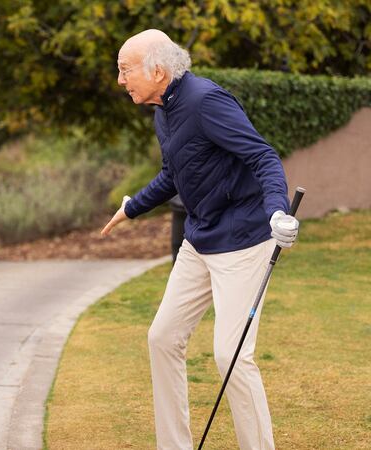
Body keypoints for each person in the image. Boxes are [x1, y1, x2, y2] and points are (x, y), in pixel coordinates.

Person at [101, 30, 299, 450]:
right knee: (162, 337)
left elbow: (262, 156)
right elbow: (174, 174)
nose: (120, 80)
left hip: (244, 242)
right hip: (200, 240)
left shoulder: (207, 101)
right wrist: (133, 206)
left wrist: (277, 210)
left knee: (231, 356)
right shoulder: (162, 110)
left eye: (124, 70)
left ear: (157, 70)